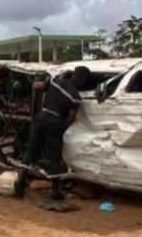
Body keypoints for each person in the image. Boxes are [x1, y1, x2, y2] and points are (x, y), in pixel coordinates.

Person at [14, 66, 90, 201]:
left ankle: (20, 180)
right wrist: (62, 127)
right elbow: (72, 118)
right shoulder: (75, 97)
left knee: (32, 150)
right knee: (54, 156)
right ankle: (55, 192)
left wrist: (44, 86)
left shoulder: (56, 81)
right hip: (55, 121)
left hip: (41, 117)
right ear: (82, 80)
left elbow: (38, 87)